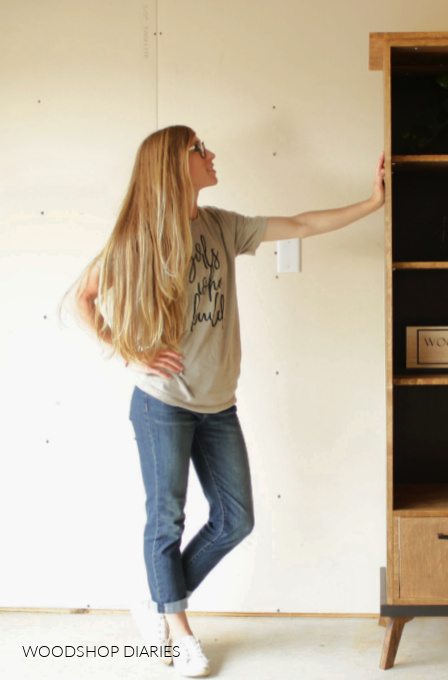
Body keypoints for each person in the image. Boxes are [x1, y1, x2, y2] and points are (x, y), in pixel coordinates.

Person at [72, 125, 385, 677]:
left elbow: (303, 224)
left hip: (218, 404)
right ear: (173, 163)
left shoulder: (222, 227)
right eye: (199, 148)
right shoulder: (140, 237)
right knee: (165, 520)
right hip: (162, 402)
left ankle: (158, 601)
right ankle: (180, 632)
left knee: (235, 520)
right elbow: (84, 298)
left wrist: (373, 201)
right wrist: (129, 353)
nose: (210, 154)